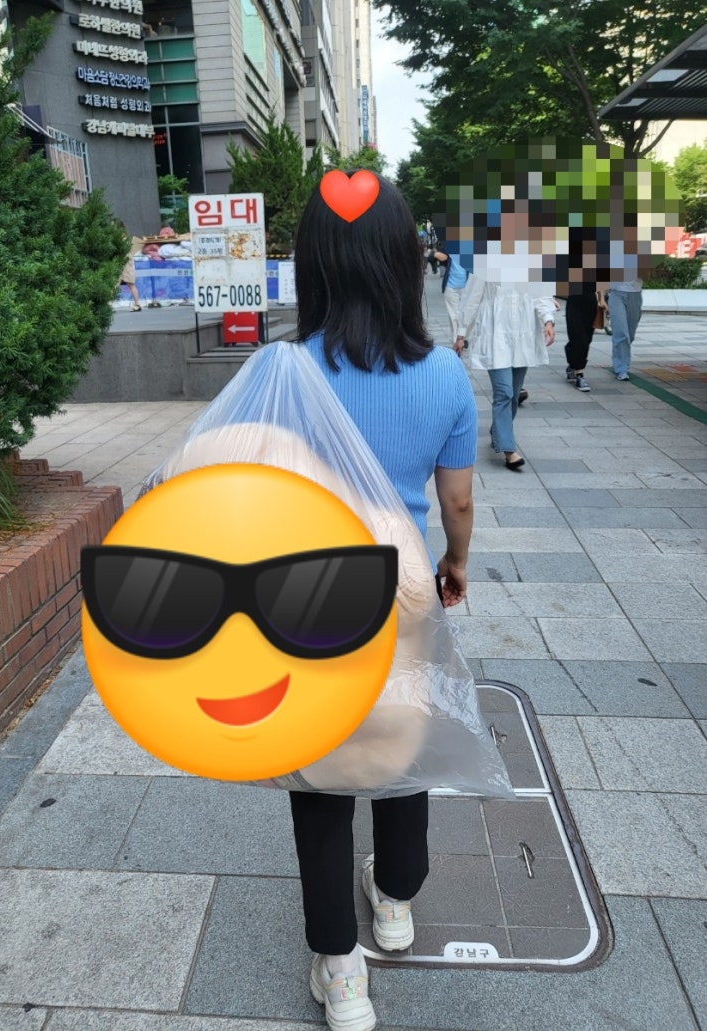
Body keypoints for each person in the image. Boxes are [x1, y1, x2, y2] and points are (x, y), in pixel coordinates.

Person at [290, 172, 478, 1031]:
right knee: (403, 735)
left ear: (313, 262)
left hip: (304, 593)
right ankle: (396, 900)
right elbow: (456, 500)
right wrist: (455, 564)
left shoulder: (284, 371)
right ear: (405, 260)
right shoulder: (442, 374)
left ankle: (340, 969)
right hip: (403, 588)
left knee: (318, 772)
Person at [455, 202, 556, 470]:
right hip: (495, 334)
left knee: (512, 395)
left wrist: (548, 320)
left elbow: (541, 294)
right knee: (504, 391)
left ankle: (499, 433)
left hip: (523, 335)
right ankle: (509, 449)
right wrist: (461, 333)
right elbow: (471, 298)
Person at [564, 283, 606, 392]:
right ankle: (579, 374)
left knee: (586, 338)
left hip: (590, 301)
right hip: (574, 300)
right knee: (577, 336)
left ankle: (572, 363)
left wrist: (601, 299)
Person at [607, 278, 642, 381]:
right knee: (621, 333)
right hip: (616, 293)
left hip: (635, 294)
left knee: (630, 335)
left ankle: (620, 357)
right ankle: (621, 369)